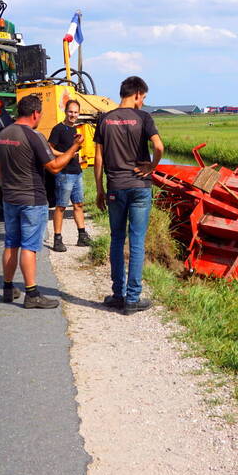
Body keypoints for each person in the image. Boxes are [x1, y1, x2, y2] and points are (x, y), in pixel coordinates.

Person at [0, 94, 83, 309]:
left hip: (10, 198)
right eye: (41, 114)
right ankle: (32, 294)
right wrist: (74, 148)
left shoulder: (2, 135)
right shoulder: (34, 137)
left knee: (11, 243)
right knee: (29, 246)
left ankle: (8, 288)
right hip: (32, 199)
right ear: (35, 113)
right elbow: (53, 167)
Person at [94, 76, 164, 315]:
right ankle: (133, 299)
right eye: (143, 98)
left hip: (115, 187)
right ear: (136, 94)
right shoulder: (143, 118)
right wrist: (151, 167)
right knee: (136, 242)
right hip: (140, 187)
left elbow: (99, 159)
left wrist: (100, 190)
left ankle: (117, 295)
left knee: (116, 240)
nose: (143, 102)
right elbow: (159, 147)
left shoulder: (104, 119)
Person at [48, 99, 92, 252]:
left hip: (77, 172)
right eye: (70, 112)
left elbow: (73, 151)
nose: (73, 115)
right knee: (60, 206)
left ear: (79, 113)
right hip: (64, 174)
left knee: (78, 205)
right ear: (65, 112)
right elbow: (50, 150)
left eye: (76, 112)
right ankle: (57, 239)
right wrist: (65, 155)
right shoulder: (58, 129)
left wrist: (78, 158)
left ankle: (82, 236)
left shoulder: (75, 130)